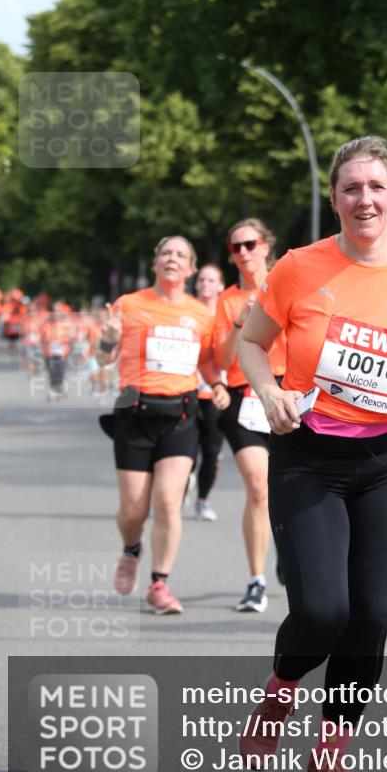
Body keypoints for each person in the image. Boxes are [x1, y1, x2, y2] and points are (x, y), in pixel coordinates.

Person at [237, 136, 387, 772]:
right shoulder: (298, 268)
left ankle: (328, 761)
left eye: (375, 186)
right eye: (350, 188)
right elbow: (251, 342)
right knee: (322, 610)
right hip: (309, 458)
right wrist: (268, 392)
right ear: (333, 198)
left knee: (370, 618)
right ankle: (281, 689)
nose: (363, 198)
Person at [96, 235, 224, 615]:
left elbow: (205, 361)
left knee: (168, 501)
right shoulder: (130, 305)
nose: (172, 259)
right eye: (166, 253)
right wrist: (108, 340)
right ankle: (131, 549)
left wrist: (216, 384)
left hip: (181, 416)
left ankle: (159, 584)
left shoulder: (202, 314)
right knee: (134, 510)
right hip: (133, 412)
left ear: (190, 268)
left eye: (181, 255)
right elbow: (104, 360)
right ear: (156, 263)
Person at [213, 219, 287, 612]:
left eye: (249, 244)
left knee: (292, 490)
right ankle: (256, 579)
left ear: (265, 246)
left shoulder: (288, 284)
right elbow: (220, 360)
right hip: (246, 398)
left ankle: (289, 554)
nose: (242, 252)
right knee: (259, 486)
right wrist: (241, 321)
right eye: (235, 247)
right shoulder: (226, 301)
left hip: (289, 395)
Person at [192, 264, 230, 520]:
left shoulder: (226, 317)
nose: (206, 284)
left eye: (211, 280)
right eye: (202, 280)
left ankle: (202, 500)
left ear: (220, 286)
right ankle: (180, 484)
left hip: (217, 394)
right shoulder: (186, 312)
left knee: (212, 451)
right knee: (186, 450)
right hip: (188, 391)